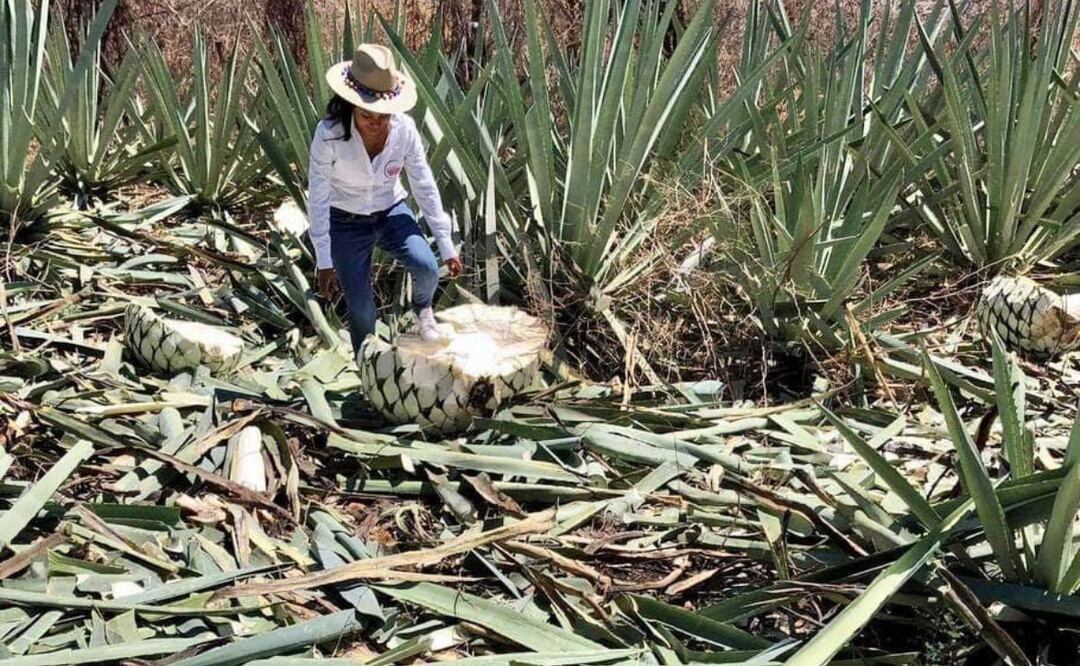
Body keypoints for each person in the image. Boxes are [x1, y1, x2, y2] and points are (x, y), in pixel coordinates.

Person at [307, 43, 463, 350]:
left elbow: (423, 183)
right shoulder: (328, 136)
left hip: (391, 212)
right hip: (345, 221)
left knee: (427, 267)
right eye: (368, 115)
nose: (377, 123)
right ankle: (367, 366)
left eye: (385, 115)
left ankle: (423, 311)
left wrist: (445, 244)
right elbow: (319, 197)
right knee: (362, 307)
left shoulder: (404, 130)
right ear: (351, 105)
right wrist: (324, 260)